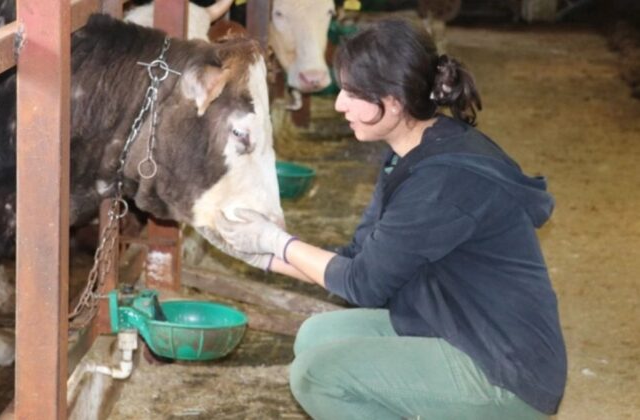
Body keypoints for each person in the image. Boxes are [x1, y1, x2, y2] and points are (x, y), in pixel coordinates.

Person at [215, 18, 566, 420]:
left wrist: (278, 242)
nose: (339, 104)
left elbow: (363, 285)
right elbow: (357, 259)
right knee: (317, 335)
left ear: (394, 100)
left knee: (318, 376)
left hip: (504, 370)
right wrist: (259, 254)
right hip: (456, 326)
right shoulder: (410, 151)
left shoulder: (442, 180)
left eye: (352, 93)